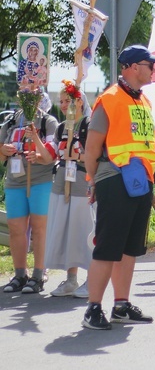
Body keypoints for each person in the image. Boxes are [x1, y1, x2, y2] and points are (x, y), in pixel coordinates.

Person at [82, 44, 155, 330]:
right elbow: (91, 148)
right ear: (131, 67)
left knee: (129, 249)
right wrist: (94, 182)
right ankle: (93, 308)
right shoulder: (110, 99)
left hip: (140, 181)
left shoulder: (144, 102)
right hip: (114, 179)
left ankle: (121, 305)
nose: (153, 67)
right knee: (108, 247)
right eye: (148, 63)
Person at [0, 100, 59, 294]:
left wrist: (37, 147)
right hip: (14, 181)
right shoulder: (10, 121)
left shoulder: (48, 121)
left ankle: (38, 274)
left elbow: (51, 155)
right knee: (16, 228)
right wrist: (3, 150)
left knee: (39, 228)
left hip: (40, 181)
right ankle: (19, 274)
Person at [45, 81, 93, 298]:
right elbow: (50, 156)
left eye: (68, 101)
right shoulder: (63, 127)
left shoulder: (90, 124)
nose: (63, 105)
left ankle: (92, 279)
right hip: (62, 181)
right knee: (66, 230)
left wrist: (77, 156)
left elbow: (96, 156)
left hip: (82, 181)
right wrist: (34, 138)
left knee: (84, 230)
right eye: (61, 102)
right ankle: (71, 279)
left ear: (79, 102)